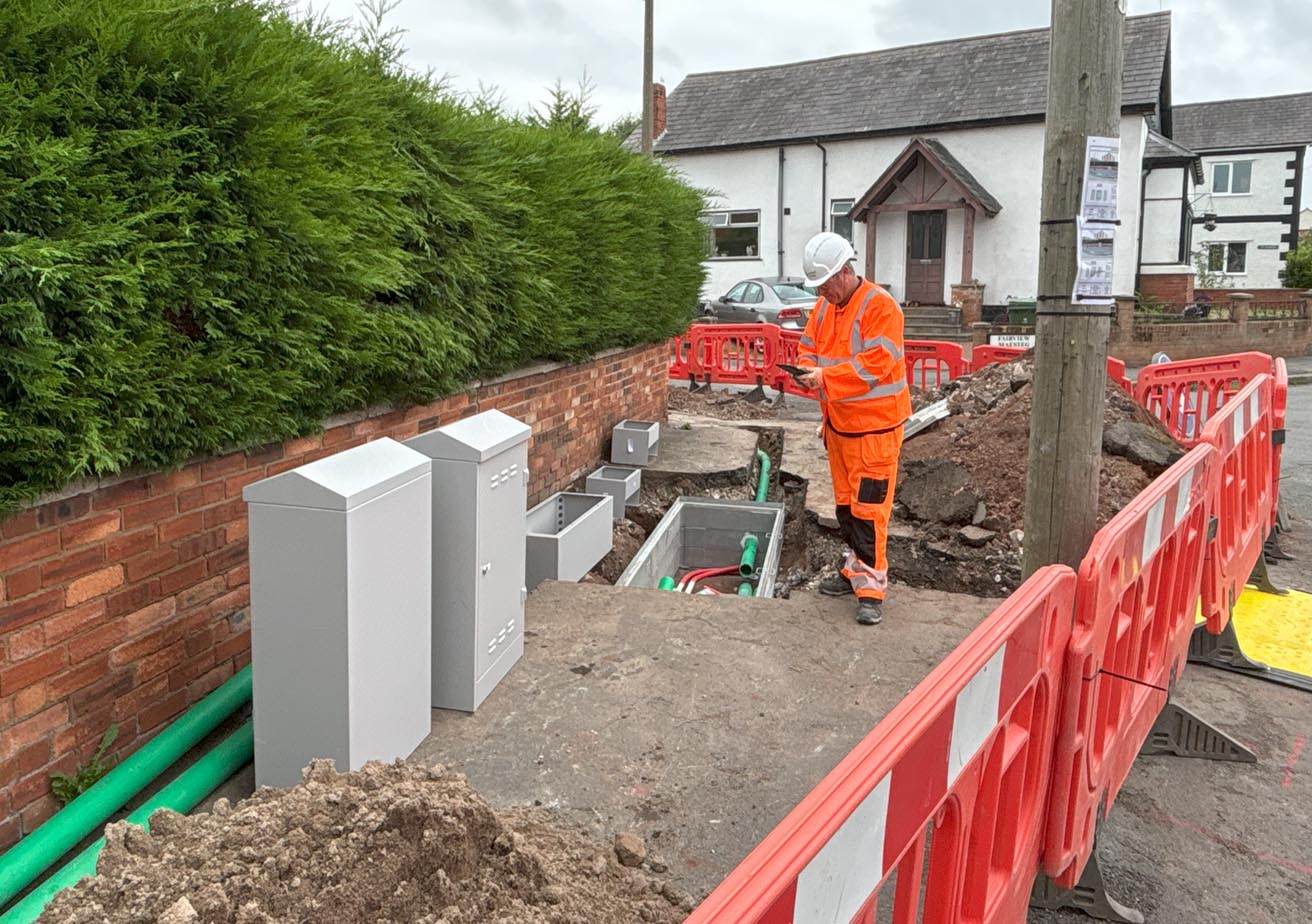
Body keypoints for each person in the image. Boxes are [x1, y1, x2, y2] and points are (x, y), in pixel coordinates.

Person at [795, 232, 911, 625]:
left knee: (869, 511)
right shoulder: (825, 308)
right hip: (841, 428)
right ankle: (854, 570)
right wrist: (808, 369)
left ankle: (872, 589)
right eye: (818, 286)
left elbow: (876, 365)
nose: (823, 291)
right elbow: (807, 345)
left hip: (874, 433)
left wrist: (824, 377)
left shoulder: (881, 307)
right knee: (846, 508)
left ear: (845, 271)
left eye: (826, 283)